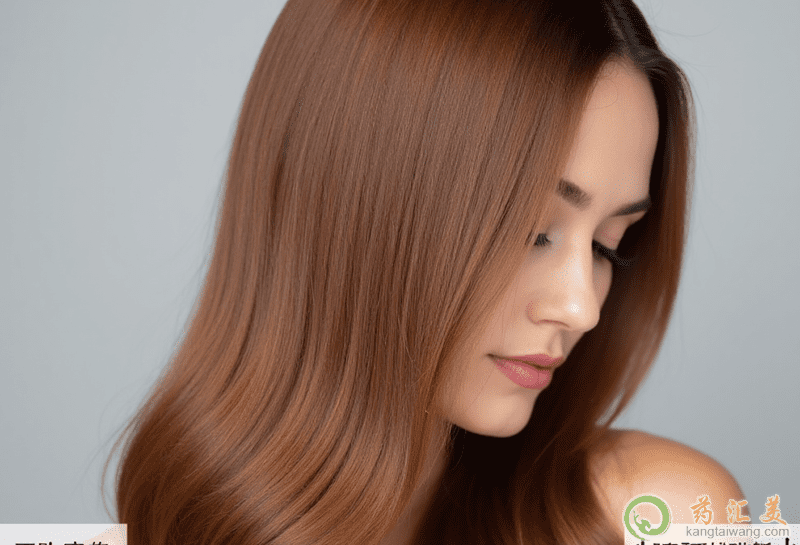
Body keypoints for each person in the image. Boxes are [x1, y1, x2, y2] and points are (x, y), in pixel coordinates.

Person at [103, 0, 747, 543]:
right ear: (351, 205)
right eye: (532, 232)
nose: (582, 309)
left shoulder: (668, 515)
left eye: (608, 246)